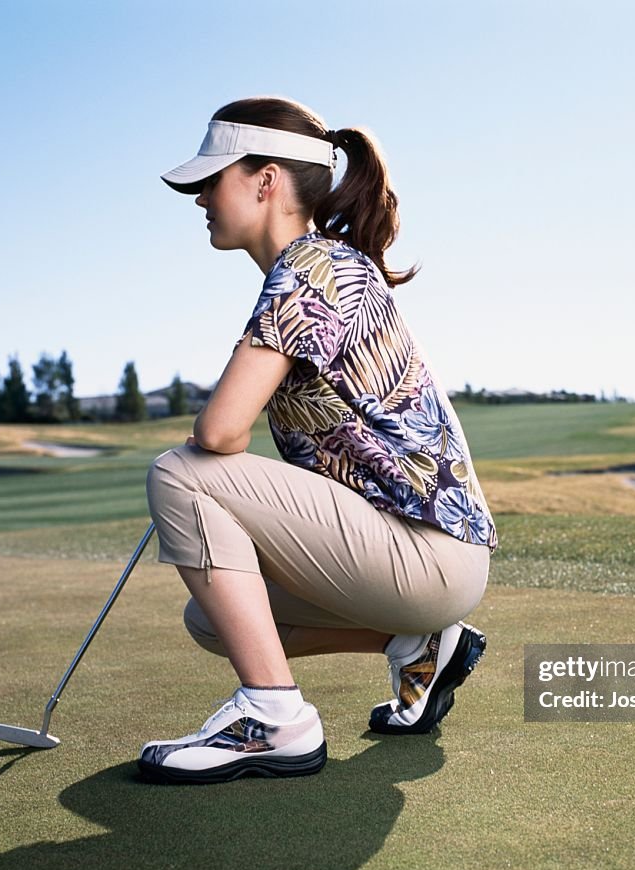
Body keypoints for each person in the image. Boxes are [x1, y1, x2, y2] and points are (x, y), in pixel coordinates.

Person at [138, 97, 497, 783]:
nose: (201, 199)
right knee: (212, 620)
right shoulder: (319, 266)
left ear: (265, 181)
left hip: (425, 552)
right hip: (423, 560)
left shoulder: (312, 268)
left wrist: (208, 449)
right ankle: (419, 644)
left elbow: (219, 431)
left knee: (179, 473)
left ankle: (274, 719)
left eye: (212, 181)